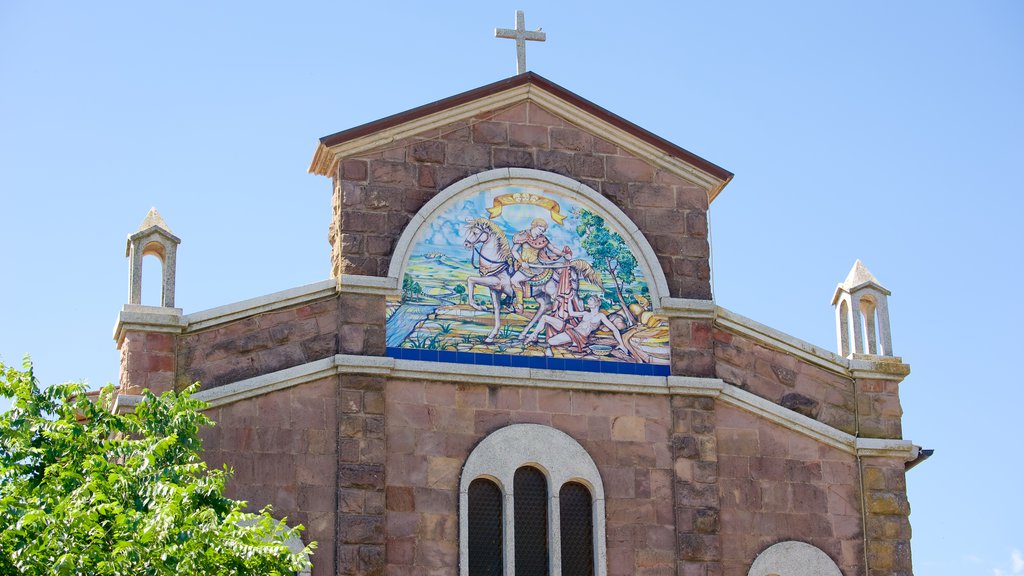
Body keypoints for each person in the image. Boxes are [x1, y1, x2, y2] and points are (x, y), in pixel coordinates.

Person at [523, 294, 629, 357]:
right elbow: (571, 313)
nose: (588, 301)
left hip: (578, 336)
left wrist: (622, 345)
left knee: (551, 341)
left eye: (591, 300)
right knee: (544, 318)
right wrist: (569, 298)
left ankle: (547, 345)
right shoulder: (585, 313)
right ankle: (534, 335)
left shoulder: (601, 316)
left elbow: (615, 329)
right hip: (572, 330)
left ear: (596, 303)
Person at [510, 218, 569, 312]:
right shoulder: (523, 236)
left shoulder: (542, 239)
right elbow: (514, 251)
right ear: (534, 226)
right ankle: (516, 302)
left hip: (535, 267)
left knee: (514, 280)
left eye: (543, 231)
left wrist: (563, 254)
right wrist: (521, 261)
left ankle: (520, 305)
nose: (540, 232)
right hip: (523, 265)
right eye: (540, 229)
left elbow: (553, 249)